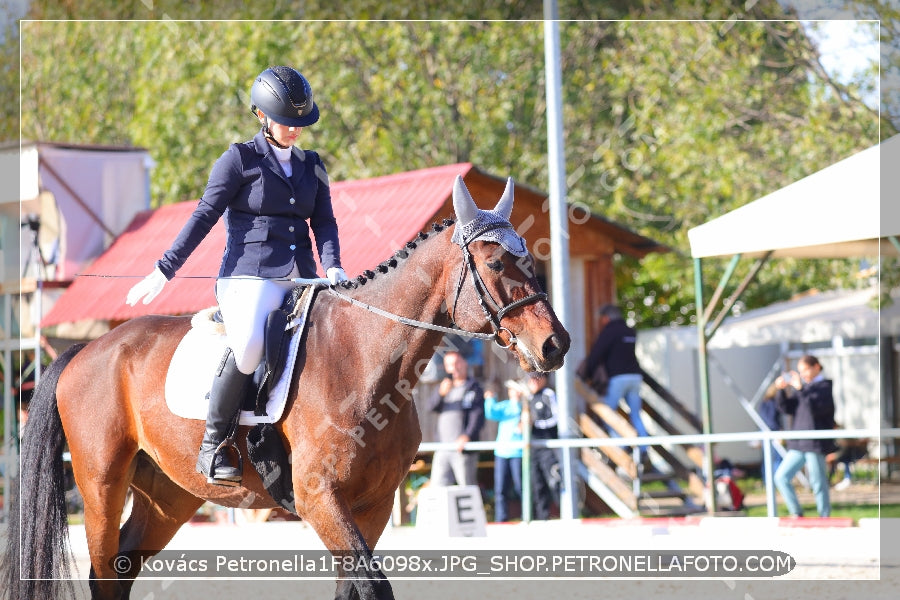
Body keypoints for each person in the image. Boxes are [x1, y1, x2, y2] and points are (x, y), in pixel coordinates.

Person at [125, 66, 348, 486]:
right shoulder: (238, 160)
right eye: (287, 122)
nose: (296, 130)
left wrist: (333, 265)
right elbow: (203, 216)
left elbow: (326, 223)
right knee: (248, 345)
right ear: (262, 116)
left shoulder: (313, 166)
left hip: (303, 277)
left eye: (302, 123)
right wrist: (164, 269)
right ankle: (215, 443)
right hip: (249, 277)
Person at [773, 355, 837, 517]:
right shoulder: (804, 388)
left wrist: (801, 389)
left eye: (805, 370)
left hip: (815, 444)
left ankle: (824, 516)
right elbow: (787, 408)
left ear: (816, 366)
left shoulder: (824, 387)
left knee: (818, 482)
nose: (803, 375)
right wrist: (781, 391)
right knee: (781, 477)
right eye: (800, 372)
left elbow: (814, 409)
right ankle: (797, 513)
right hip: (798, 443)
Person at [582, 303, 649, 458]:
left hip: (618, 378)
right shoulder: (629, 331)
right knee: (636, 415)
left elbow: (596, 353)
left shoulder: (609, 332)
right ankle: (644, 449)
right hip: (635, 376)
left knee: (607, 413)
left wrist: (586, 373)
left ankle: (622, 446)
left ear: (606, 318)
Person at [427, 351, 485, 487]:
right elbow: (430, 407)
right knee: (438, 487)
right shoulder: (444, 387)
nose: (454, 367)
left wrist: (467, 436)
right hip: (443, 447)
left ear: (464, 363)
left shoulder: (474, 388)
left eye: (457, 363)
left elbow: (478, 415)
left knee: (467, 486)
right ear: (446, 367)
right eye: (450, 365)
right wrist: (440, 394)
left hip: (462, 449)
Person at [484, 380, 525, 522]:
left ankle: (527, 515)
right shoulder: (506, 406)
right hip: (502, 452)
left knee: (522, 488)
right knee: (500, 489)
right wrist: (490, 398)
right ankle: (501, 518)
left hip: (519, 453)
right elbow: (491, 413)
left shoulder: (525, 407)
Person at [526, 371, 560, 520]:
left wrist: (536, 424)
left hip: (548, 447)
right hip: (534, 448)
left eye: (537, 378)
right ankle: (541, 517)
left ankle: (564, 514)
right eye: (531, 379)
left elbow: (556, 418)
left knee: (554, 481)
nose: (533, 382)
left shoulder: (548, 394)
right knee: (536, 484)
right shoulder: (528, 398)